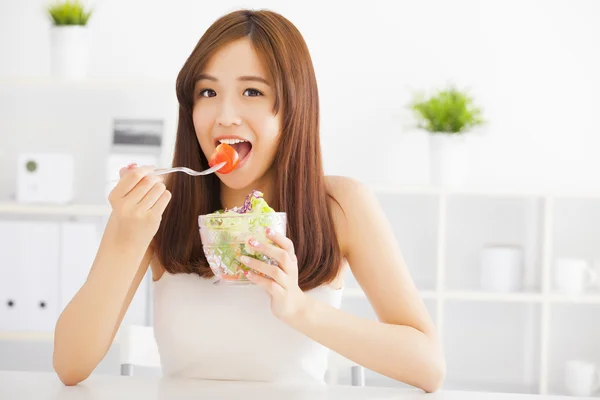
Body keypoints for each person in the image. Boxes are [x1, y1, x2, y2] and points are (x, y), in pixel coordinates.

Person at [52, 9, 445, 392]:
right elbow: (70, 366)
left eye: (252, 91)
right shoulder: (159, 205)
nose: (224, 115)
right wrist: (125, 238)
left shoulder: (340, 205)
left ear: (294, 107)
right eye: (208, 92)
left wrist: (299, 309)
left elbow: (427, 367)